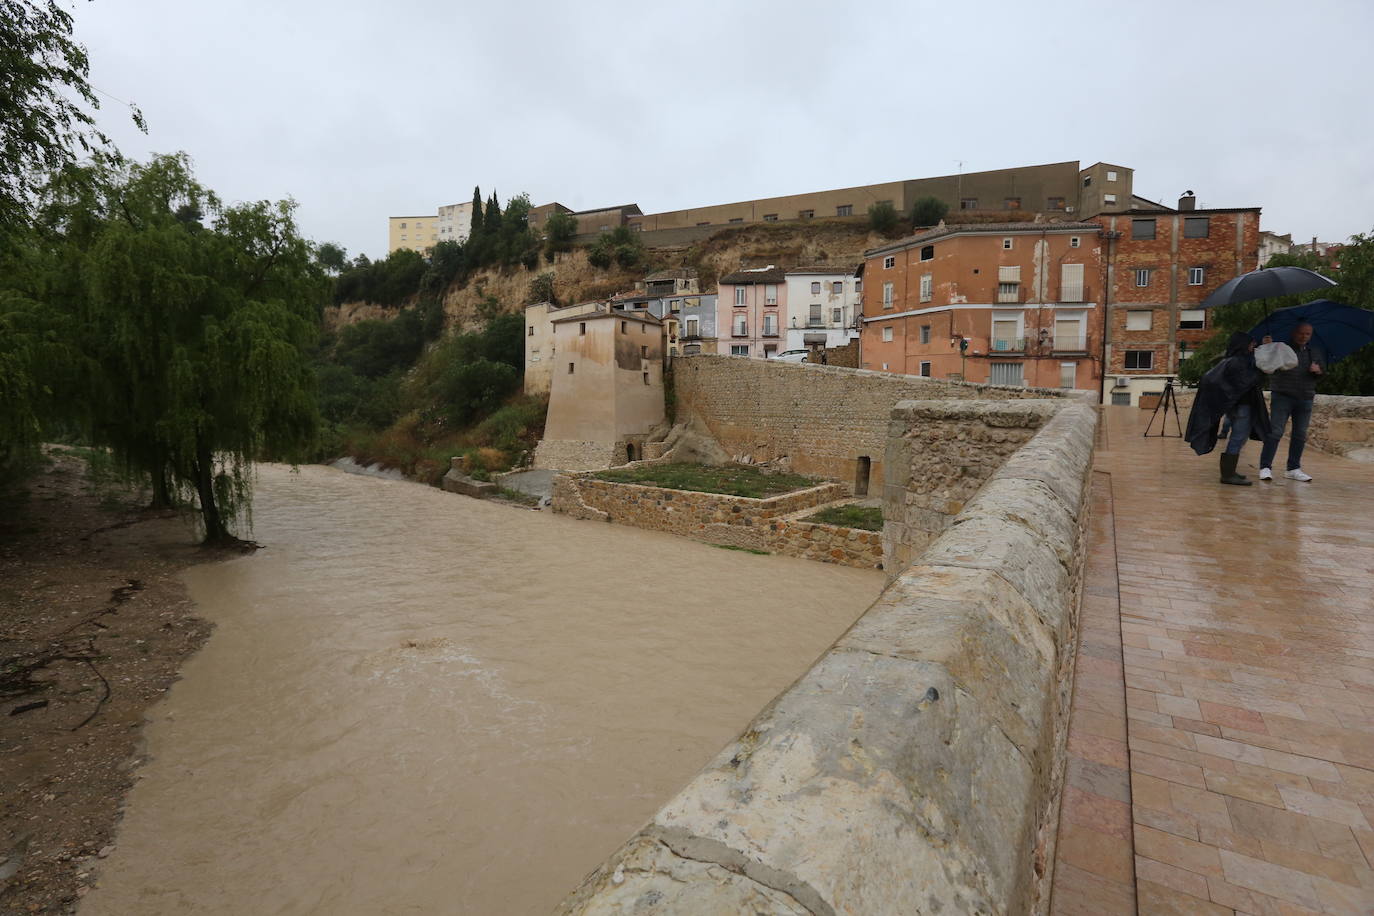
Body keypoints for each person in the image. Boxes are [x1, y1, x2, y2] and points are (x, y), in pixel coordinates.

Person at [1185, 331, 1272, 486]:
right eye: (1251, 343)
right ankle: (1227, 474)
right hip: (1242, 407)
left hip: (1239, 406)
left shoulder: (1234, 360)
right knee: (1238, 437)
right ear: (1243, 344)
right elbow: (1249, 381)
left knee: (1239, 437)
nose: (1254, 345)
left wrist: (1266, 348)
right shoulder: (1238, 362)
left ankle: (1230, 471)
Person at [1258, 322, 1325, 482]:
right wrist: (1267, 348)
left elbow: (1323, 372)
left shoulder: (1314, 352)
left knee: (1300, 434)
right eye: (1301, 333)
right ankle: (1265, 467)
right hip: (1283, 395)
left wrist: (1318, 371)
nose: (1304, 336)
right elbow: (1267, 366)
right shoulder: (1280, 348)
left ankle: (1293, 468)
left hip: (1306, 397)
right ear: (1293, 333)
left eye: (1307, 334)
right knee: (1275, 432)